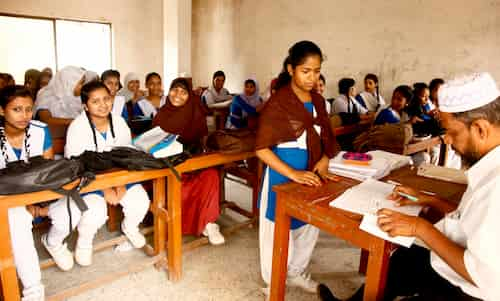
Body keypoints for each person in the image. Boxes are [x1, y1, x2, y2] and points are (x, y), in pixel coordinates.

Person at [319, 72, 500, 301]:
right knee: (407, 258)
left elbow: (486, 278)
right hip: (464, 270)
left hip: (475, 292)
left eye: (452, 133)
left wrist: (420, 228)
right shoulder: (490, 164)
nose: (449, 142)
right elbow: (470, 216)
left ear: (481, 130)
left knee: (417, 248)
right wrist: (428, 200)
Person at [256, 40, 339, 295]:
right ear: (291, 69)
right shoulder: (278, 103)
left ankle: (295, 272)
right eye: (306, 71)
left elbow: (325, 137)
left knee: (306, 226)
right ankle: (274, 282)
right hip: (283, 173)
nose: (311, 77)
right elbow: (261, 149)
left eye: (316, 71)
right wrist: (292, 173)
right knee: (276, 229)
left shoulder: (318, 101)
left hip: (311, 172)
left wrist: (324, 159)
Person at [43, 81, 150, 270]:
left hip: (119, 175)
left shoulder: (119, 122)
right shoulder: (78, 127)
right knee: (95, 210)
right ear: (85, 105)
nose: (103, 105)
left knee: (141, 201)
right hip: (88, 180)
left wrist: (121, 185)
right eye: (95, 101)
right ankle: (84, 242)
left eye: (106, 99)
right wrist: (106, 188)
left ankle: (130, 228)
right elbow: (76, 165)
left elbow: (127, 157)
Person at [153, 78, 224, 244]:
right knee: (179, 187)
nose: (177, 95)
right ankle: (180, 225)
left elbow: (203, 142)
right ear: (169, 91)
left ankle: (209, 223)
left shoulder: (195, 113)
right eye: (174, 90)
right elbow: (153, 146)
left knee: (211, 176)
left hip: (192, 163)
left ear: (189, 95)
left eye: (183, 92)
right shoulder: (161, 115)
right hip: (167, 167)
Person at [0, 85, 53, 301]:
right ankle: (34, 290)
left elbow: (47, 172)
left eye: (29, 109)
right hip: (5, 199)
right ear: (2, 110)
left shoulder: (40, 130)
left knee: (75, 204)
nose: (24, 116)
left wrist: (34, 201)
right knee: (17, 218)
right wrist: (23, 204)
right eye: (17, 109)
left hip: (36, 192)